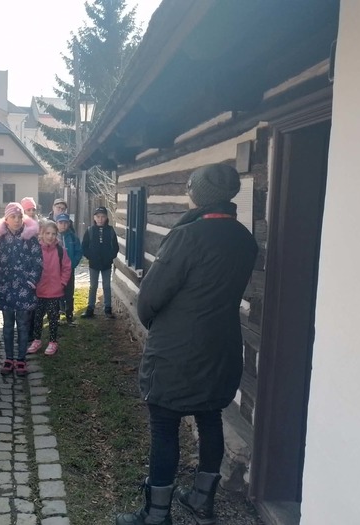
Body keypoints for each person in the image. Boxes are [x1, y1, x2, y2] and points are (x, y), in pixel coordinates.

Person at [115, 164, 258, 525]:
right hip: (222, 346)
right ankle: (201, 500)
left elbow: (150, 298)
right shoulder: (244, 238)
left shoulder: (187, 236)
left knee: (165, 425)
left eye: (191, 187)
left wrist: (158, 325)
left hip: (177, 352)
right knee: (210, 417)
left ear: (199, 194)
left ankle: (156, 513)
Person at [0, 202, 42, 376]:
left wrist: (31, 281)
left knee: (22, 325)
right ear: (6, 219)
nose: (16, 220)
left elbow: (38, 262)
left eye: (19, 217)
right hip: (5, 288)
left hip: (24, 290)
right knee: (7, 325)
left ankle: (21, 359)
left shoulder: (30, 239)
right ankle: (9, 358)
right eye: (13, 217)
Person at [27, 220, 71, 355]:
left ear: (56, 235)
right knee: (37, 318)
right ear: (41, 233)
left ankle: (53, 341)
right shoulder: (36, 250)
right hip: (39, 290)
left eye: (53, 234)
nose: (50, 236)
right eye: (47, 233)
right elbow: (30, 266)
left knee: (53, 318)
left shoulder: (60, 251)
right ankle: (37, 340)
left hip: (54, 291)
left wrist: (62, 283)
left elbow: (67, 268)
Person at [81, 207, 119, 319]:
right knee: (93, 286)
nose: (100, 219)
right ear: (94, 217)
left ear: (106, 217)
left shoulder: (110, 231)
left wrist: (110, 257)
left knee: (106, 286)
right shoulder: (90, 231)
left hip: (106, 264)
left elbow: (115, 247)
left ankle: (108, 308)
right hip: (94, 263)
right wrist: (90, 256)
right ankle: (90, 308)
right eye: (98, 217)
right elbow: (84, 246)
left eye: (103, 217)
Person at [55, 213, 83, 326]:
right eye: (60, 223)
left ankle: (69, 315)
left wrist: (72, 264)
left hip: (69, 270)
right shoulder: (53, 237)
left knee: (69, 293)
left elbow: (79, 252)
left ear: (69, 224)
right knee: (56, 293)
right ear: (56, 223)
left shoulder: (73, 237)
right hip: (56, 271)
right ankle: (56, 315)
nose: (63, 225)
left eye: (65, 223)